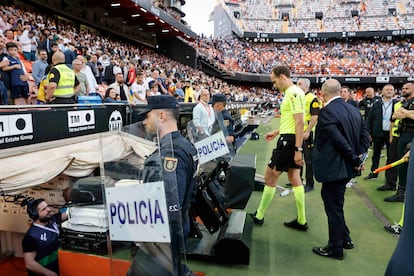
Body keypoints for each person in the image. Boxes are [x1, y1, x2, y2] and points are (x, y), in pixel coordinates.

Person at [128, 95, 198, 275]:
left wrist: (155, 242)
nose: (144, 121)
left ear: (161, 116)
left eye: (147, 116)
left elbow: (169, 204)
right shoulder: (185, 145)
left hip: (165, 234)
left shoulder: (170, 153)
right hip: (179, 226)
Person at [312, 79, 369, 260]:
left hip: (335, 168)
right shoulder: (353, 109)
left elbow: (338, 140)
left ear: (323, 92)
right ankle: (345, 238)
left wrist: (354, 159)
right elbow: (364, 137)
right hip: (346, 167)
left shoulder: (327, 111)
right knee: (336, 203)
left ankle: (335, 248)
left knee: (333, 206)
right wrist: (359, 158)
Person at [250, 65, 307, 231]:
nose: (274, 85)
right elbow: (291, 121)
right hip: (289, 139)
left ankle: (259, 215)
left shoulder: (293, 93)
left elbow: (299, 122)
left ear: (283, 77)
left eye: (275, 82)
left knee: (270, 176)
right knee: (294, 177)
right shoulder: (292, 93)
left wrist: (298, 149)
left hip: (289, 142)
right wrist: (276, 131)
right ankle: (302, 220)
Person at [22, 198, 68, 276]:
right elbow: (30, 264)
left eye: (47, 206)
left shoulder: (53, 219)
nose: (49, 209)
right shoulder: (30, 237)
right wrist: (50, 274)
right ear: (35, 215)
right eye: (44, 209)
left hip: (58, 267)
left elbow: (69, 214)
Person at [385, 82, 414, 202]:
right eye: (403, 88)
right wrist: (408, 113)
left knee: (406, 165)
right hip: (403, 134)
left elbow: (403, 114)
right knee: (401, 165)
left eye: (407, 88)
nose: (403, 90)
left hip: (411, 134)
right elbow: (395, 115)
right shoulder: (404, 102)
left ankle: (404, 193)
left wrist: (405, 113)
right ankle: (401, 192)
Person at [364, 84, 396, 180]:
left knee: (391, 156)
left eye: (391, 89)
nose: (389, 91)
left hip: (391, 133)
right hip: (378, 132)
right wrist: (368, 132)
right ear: (382, 92)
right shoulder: (376, 104)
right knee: (376, 154)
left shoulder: (397, 103)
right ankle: (374, 173)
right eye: (387, 89)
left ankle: (389, 177)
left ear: (394, 92)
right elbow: (370, 119)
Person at [298, 78, 319, 192]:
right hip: (298, 132)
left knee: (309, 159)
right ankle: (298, 180)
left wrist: (308, 131)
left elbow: (315, 116)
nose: (297, 85)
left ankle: (310, 183)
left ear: (306, 86)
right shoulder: (298, 97)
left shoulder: (312, 98)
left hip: (307, 133)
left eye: (300, 84)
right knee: (297, 157)